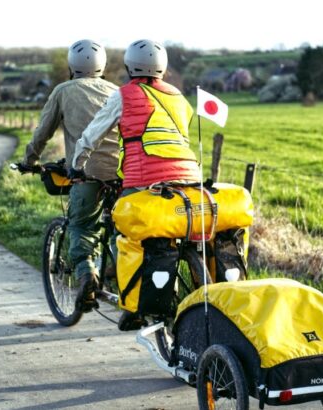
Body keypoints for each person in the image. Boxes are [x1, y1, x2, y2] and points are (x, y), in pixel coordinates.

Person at [71, 39, 200, 330]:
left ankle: (135, 306)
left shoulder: (125, 95)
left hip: (144, 181)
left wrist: (77, 164)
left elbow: (92, 135)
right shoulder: (179, 97)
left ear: (129, 67)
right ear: (163, 69)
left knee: (125, 232)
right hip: (189, 179)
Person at [23, 39, 119, 312]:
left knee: (81, 226)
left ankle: (87, 274)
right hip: (123, 174)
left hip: (86, 173)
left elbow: (43, 131)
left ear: (71, 65)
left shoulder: (63, 90)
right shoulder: (117, 91)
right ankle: (123, 274)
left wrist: (30, 160)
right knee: (121, 229)